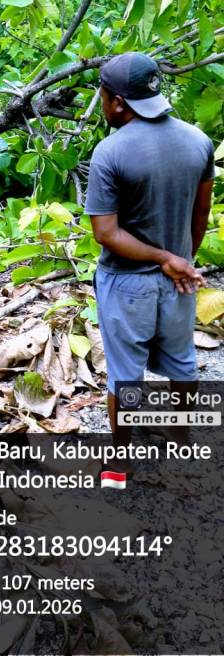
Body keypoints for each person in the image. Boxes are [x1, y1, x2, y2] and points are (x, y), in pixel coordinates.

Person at [85, 52, 214, 461]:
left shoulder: (111, 152)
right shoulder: (198, 141)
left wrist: (161, 258)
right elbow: (201, 210)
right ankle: (181, 443)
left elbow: (105, 233)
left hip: (126, 281)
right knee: (182, 363)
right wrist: (180, 260)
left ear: (118, 102)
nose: (102, 102)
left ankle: (120, 459)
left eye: (103, 95)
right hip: (179, 278)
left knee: (126, 373)